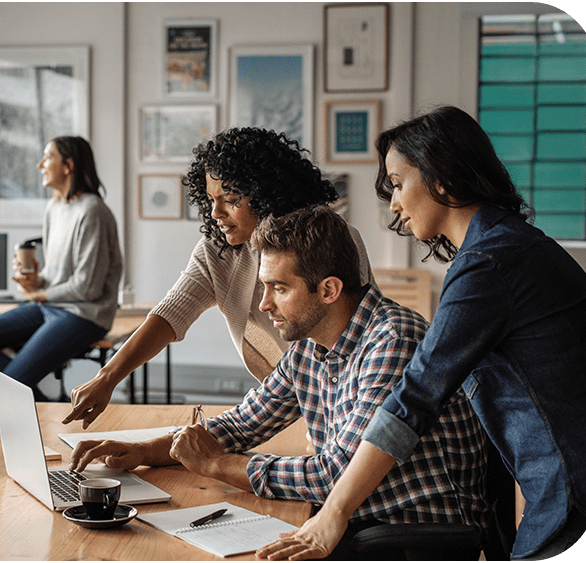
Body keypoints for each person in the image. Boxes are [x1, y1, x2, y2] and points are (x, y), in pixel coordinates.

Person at [258, 106, 586, 562]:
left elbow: (415, 397)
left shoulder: (488, 264)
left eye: (399, 184)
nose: (394, 204)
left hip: (572, 484)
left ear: (442, 177)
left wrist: (334, 512)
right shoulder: (504, 247)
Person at [69, 205, 490, 559]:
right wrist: (146, 451)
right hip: (359, 518)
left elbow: (334, 475)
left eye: (278, 288)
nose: (264, 303)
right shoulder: (312, 344)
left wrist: (218, 465)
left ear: (328, 289)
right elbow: (240, 424)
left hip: (411, 532)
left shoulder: (392, 340)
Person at [64, 127, 374, 429]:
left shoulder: (328, 240)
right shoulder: (219, 248)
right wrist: (107, 378)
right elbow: (171, 313)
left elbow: (355, 339)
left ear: (267, 194)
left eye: (230, 199)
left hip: (345, 398)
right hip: (281, 401)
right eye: (211, 199)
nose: (215, 213)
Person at [0, 136, 123, 402]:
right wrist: (36, 281)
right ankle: (44, 409)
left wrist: (39, 295)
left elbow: (87, 287)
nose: (40, 164)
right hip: (52, 306)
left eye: (48, 157)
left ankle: (37, 410)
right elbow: (57, 276)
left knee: (12, 382)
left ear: (68, 165)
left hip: (85, 315)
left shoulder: (93, 211)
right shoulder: (54, 208)